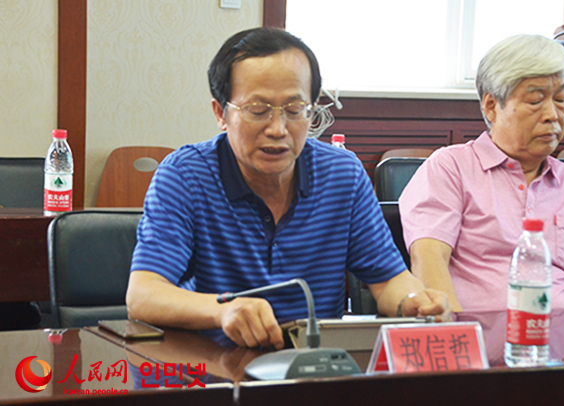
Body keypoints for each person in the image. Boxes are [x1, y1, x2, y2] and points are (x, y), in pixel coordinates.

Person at [126, 27, 450, 349]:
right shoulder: (185, 175)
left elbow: (388, 280)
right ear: (220, 113)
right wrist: (222, 311)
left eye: (295, 110)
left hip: (313, 368)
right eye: (258, 110)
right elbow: (143, 295)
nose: (278, 129)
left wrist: (413, 301)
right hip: (216, 367)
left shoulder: (343, 175)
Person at [400, 34, 564, 312]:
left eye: (561, 99)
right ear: (491, 106)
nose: (553, 115)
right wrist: (459, 333)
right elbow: (429, 262)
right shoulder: (450, 168)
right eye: (535, 101)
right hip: (475, 335)